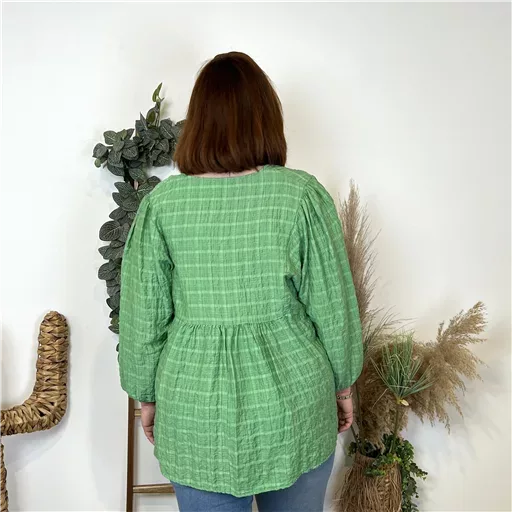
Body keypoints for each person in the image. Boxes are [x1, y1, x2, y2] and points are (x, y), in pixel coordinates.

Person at [118, 51, 363, 512]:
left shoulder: (163, 205)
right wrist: (344, 387)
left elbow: (142, 318)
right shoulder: (300, 195)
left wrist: (146, 395)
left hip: (194, 407)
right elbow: (334, 308)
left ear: (198, 123)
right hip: (294, 401)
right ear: (266, 119)